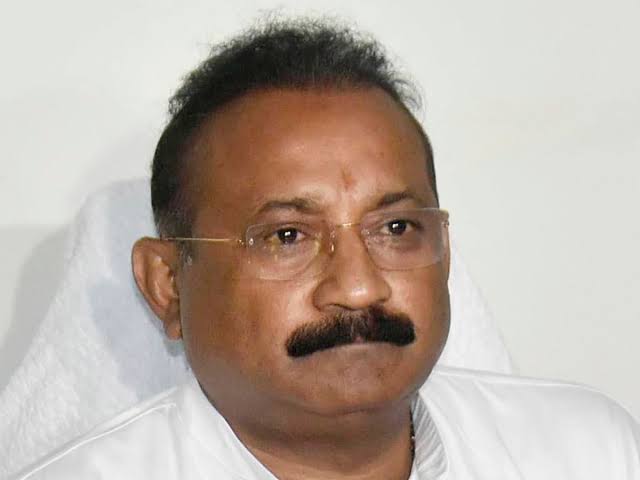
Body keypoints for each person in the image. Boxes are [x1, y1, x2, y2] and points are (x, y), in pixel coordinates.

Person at [14, 18, 639, 480]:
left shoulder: (586, 453)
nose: (360, 287)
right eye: (288, 236)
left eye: (396, 228)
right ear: (168, 284)